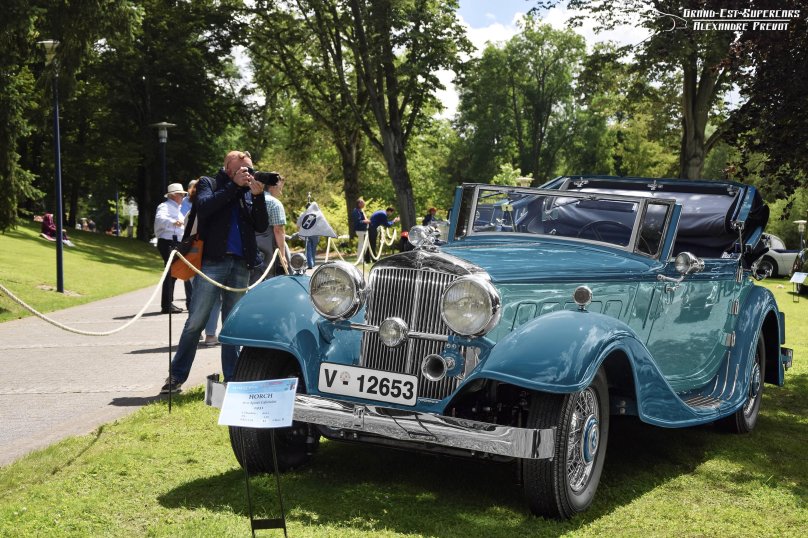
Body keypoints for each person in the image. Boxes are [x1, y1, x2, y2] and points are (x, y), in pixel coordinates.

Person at [162, 150, 268, 393]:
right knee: (196, 320)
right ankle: (176, 376)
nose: (249, 174)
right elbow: (206, 207)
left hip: (241, 264)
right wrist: (233, 186)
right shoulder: (209, 183)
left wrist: (259, 197)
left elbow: (261, 226)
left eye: (251, 170)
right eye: (244, 169)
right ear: (230, 167)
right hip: (213, 262)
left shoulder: (248, 191)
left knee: (232, 325)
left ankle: (232, 378)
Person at [183, 178, 221, 344]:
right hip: (206, 257)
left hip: (191, 257)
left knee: (197, 297)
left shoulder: (189, 214)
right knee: (213, 299)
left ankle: (194, 331)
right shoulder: (208, 212)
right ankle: (210, 334)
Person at [154, 182, 187, 314]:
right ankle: (167, 304)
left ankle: (168, 303)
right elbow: (160, 219)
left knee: (172, 273)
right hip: (168, 242)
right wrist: (173, 222)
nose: (183, 198)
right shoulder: (165, 206)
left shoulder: (175, 209)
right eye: (181, 195)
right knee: (171, 273)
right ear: (174, 195)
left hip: (173, 242)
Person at [252, 172, 288, 283]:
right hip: (268, 248)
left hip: (250, 245)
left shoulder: (250, 198)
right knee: (269, 279)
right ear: (273, 186)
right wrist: (283, 255)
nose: (280, 193)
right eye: (280, 189)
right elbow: (278, 230)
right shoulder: (275, 203)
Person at [352, 198, 370, 262]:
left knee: (365, 245)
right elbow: (358, 222)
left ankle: (362, 259)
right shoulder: (356, 211)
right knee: (361, 245)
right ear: (359, 204)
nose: (364, 203)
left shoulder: (361, 210)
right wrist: (366, 221)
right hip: (360, 230)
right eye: (363, 202)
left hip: (364, 230)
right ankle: (360, 260)